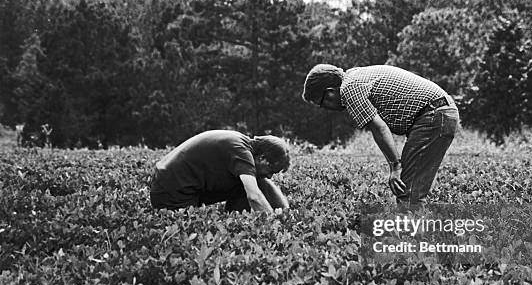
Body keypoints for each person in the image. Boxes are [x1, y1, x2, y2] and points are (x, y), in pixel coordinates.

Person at [302, 64, 459, 207]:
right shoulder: (354, 75)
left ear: (330, 93)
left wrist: (395, 167)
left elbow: (379, 128)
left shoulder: (348, 89)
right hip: (441, 112)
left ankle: (411, 237)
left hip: (433, 114)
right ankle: (416, 233)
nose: (325, 109)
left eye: (321, 103)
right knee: (412, 189)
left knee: (408, 192)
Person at [150, 130, 290, 213]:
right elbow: (254, 196)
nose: (270, 176)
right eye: (271, 170)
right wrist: (273, 223)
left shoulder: (243, 144)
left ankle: (237, 222)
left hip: (175, 187)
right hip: (170, 195)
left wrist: (285, 213)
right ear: (262, 158)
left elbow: (264, 184)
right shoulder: (241, 152)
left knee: (259, 180)